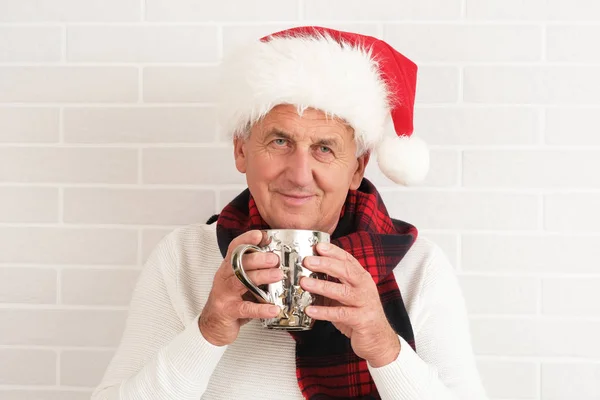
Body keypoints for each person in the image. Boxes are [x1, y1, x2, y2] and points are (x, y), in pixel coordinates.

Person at [92, 26, 488, 399]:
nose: (299, 176)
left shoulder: (419, 269)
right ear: (241, 151)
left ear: (357, 168)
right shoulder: (183, 257)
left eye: (325, 148)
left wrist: (385, 347)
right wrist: (208, 331)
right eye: (280, 141)